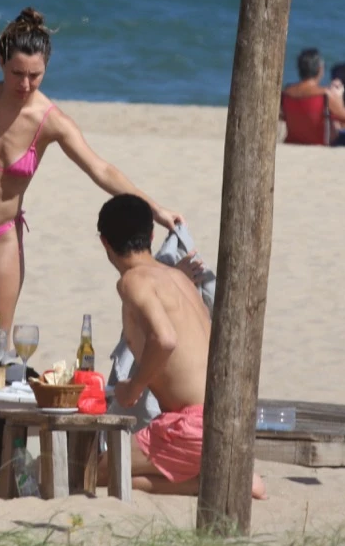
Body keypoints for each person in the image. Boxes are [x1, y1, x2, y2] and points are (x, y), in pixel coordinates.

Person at [0, 7, 183, 346]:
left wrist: (156, 209)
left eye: (35, 75)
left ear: (46, 68)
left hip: (0, 238)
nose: (24, 84)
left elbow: (101, 169)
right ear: (0, 61)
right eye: (17, 73)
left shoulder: (51, 121)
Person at [96, 194, 266, 499]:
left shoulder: (133, 280)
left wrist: (134, 387)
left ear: (104, 243)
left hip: (192, 425)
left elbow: (166, 340)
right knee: (110, 471)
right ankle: (218, 476)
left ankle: (216, 485)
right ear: (150, 235)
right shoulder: (179, 277)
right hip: (225, 416)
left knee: (96, 473)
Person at [281, 47, 345, 135]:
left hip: (293, 141)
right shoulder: (326, 95)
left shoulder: (286, 93)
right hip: (319, 143)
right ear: (320, 69)